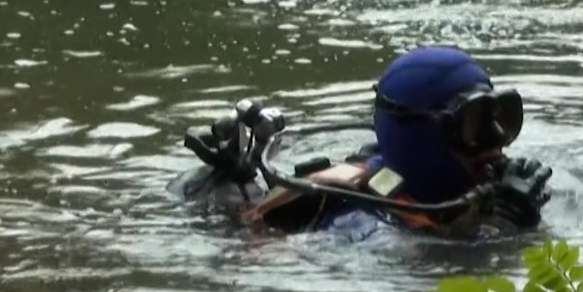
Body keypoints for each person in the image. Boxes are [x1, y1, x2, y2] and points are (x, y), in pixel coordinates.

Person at [168, 45, 554, 242]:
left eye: (501, 119)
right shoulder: (360, 224)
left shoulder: (468, 193)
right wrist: (503, 228)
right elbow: (433, 274)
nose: (496, 145)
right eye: (474, 125)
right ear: (423, 138)